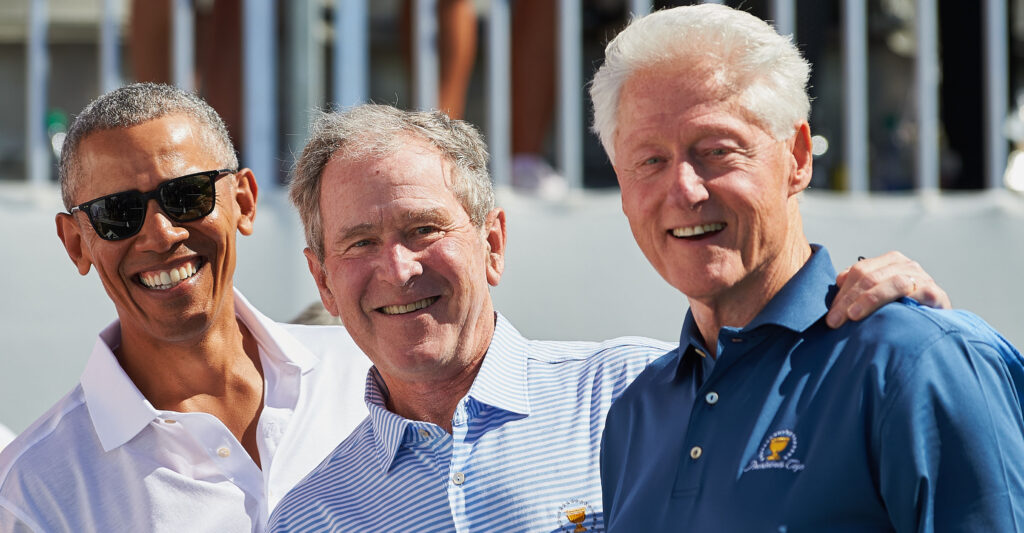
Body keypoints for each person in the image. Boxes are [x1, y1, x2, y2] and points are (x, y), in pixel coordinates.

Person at [266, 104, 949, 531]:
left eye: (423, 228)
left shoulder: (637, 391)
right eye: (359, 242)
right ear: (323, 279)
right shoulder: (308, 519)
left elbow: (816, 437)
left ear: (493, 243)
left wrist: (878, 314)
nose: (399, 268)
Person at [590, 5, 1024, 531]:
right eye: (650, 161)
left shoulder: (919, 361)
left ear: (797, 157)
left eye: (716, 151)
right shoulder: (634, 415)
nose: (684, 189)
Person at [0, 83, 370, 532]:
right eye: (117, 213)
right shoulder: (32, 491)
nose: (161, 234)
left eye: (188, 195)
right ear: (76, 243)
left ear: (243, 202)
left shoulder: (369, 376)